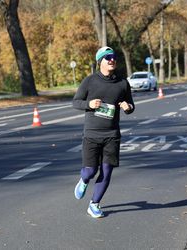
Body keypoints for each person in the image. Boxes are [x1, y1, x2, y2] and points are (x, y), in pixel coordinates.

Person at [72, 46, 135, 218]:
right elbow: (76, 102)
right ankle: (84, 179)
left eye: (113, 56)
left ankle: (94, 204)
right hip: (92, 135)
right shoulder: (90, 81)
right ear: (100, 61)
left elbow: (131, 105)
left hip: (112, 135)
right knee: (91, 171)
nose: (112, 59)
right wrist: (89, 105)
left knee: (107, 172)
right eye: (108, 57)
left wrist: (128, 107)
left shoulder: (122, 83)